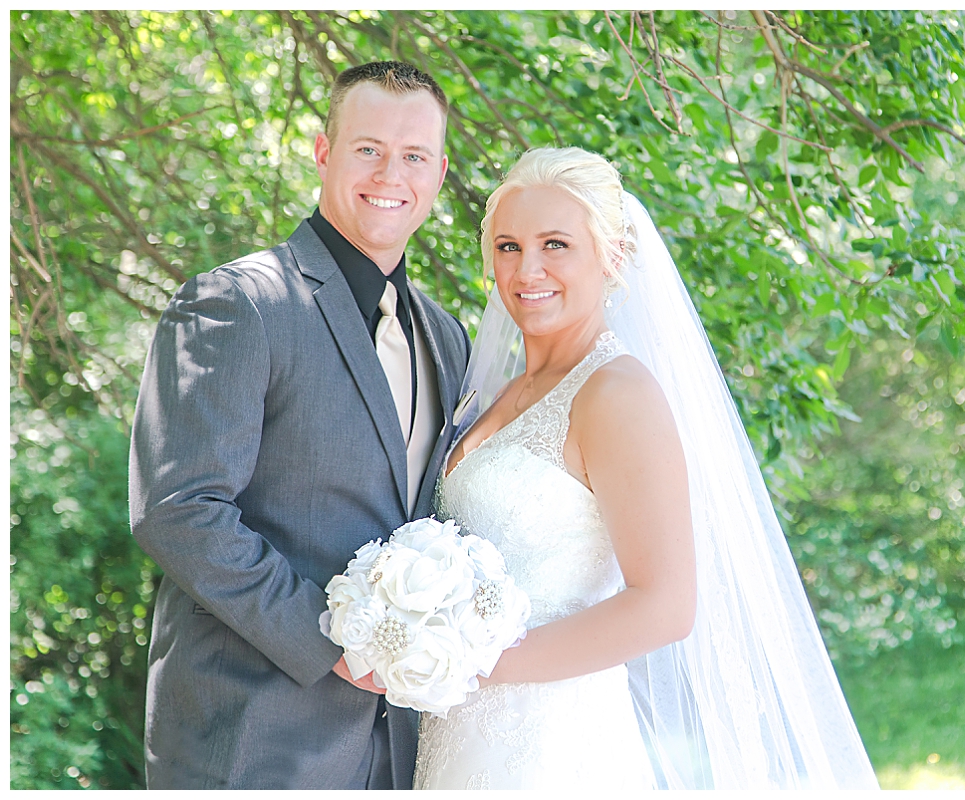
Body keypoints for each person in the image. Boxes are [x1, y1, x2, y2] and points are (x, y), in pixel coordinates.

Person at [413, 147, 880, 790]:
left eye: (556, 244)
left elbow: (664, 606)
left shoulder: (616, 393)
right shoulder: (494, 391)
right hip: (457, 730)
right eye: (508, 246)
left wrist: (472, 660)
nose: (528, 269)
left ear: (613, 256)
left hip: (553, 739)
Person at [128, 61, 469, 789]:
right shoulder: (239, 303)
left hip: (396, 749)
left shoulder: (446, 338)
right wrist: (336, 641)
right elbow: (177, 510)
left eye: (413, 156)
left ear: (438, 172)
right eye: (367, 148)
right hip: (251, 737)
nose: (390, 173)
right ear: (323, 153)